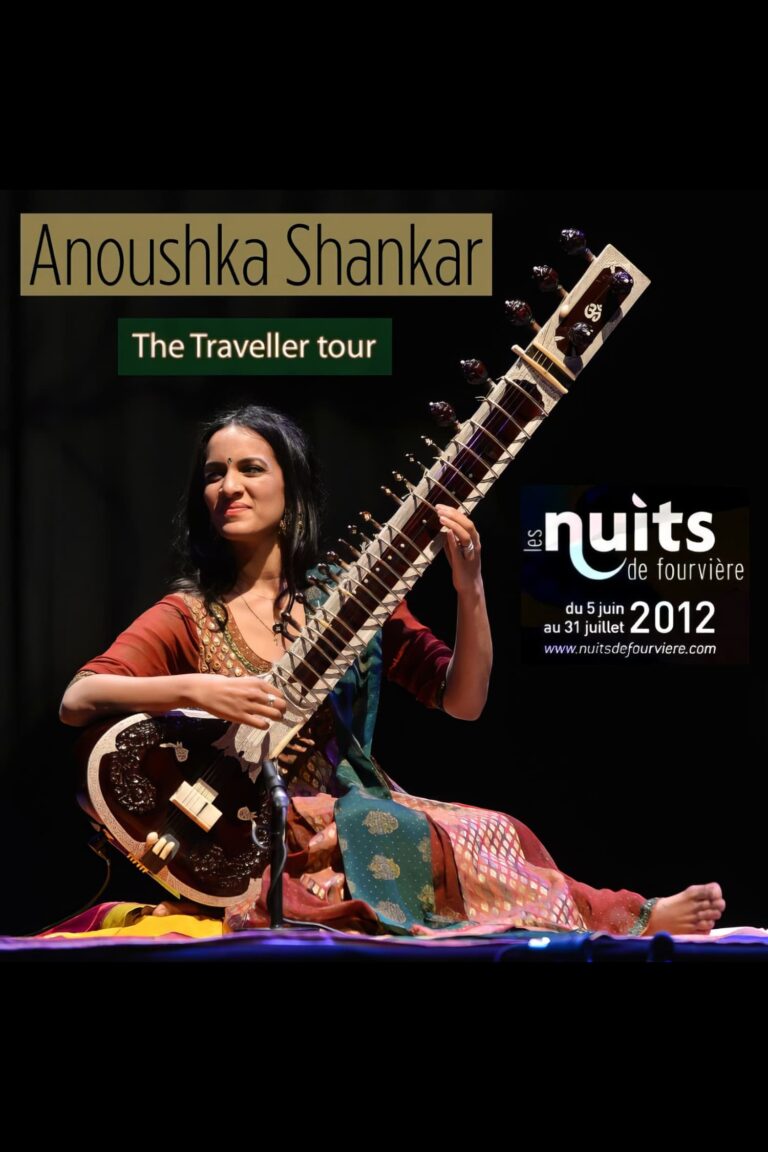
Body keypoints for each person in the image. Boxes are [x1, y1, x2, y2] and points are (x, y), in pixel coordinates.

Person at [58, 404, 726, 939]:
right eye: (213, 473)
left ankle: (627, 915)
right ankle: (626, 916)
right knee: (401, 830)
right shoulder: (189, 615)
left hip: (347, 810)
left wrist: (470, 589)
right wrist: (196, 688)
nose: (228, 486)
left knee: (496, 829)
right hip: (264, 835)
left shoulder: (350, 600)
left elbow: (463, 701)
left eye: (250, 468)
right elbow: (79, 697)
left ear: (292, 488)